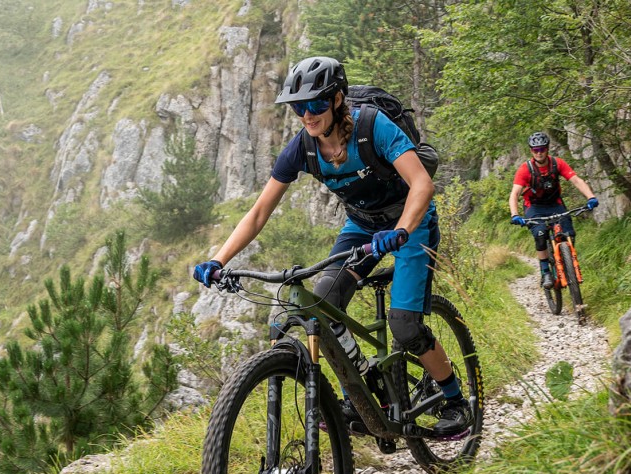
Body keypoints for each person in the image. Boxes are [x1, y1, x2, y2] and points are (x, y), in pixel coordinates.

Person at [191, 56, 471, 439]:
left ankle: (456, 402)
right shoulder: (302, 148)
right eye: (297, 107)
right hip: (362, 227)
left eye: (316, 104)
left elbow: (421, 184)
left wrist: (402, 230)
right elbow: (259, 212)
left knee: (404, 325)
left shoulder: (373, 127)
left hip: (410, 222)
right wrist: (219, 259)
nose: (307, 115)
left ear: (337, 99)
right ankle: (362, 393)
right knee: (320, 305)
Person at [508, 132, 599, 288]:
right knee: (540, 234)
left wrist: (590, 197)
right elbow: (515, 193)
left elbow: (576, 181)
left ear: (547, 148)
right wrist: (515, 214)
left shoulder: (557, 164)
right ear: (531, 151)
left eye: (542, 149)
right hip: (534, 207)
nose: (539, 152)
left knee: (569, 232)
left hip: (555, 204)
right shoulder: (526, 169)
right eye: (535, 150)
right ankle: (546, 272)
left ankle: (567, 261)